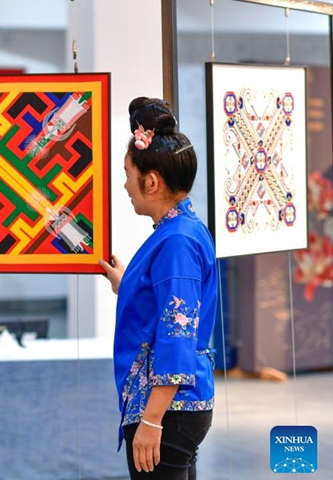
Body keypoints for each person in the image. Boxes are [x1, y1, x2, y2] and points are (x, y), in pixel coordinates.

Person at [99, 97, 217, 479]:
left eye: (127, 173)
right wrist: (125, 284)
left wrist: (151, 421)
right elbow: (168, 303)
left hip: (166, 409)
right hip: (173, 407)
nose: (124, 184)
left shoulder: (176, 241)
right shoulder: (182, 229)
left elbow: (178, 332)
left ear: (151, 181)